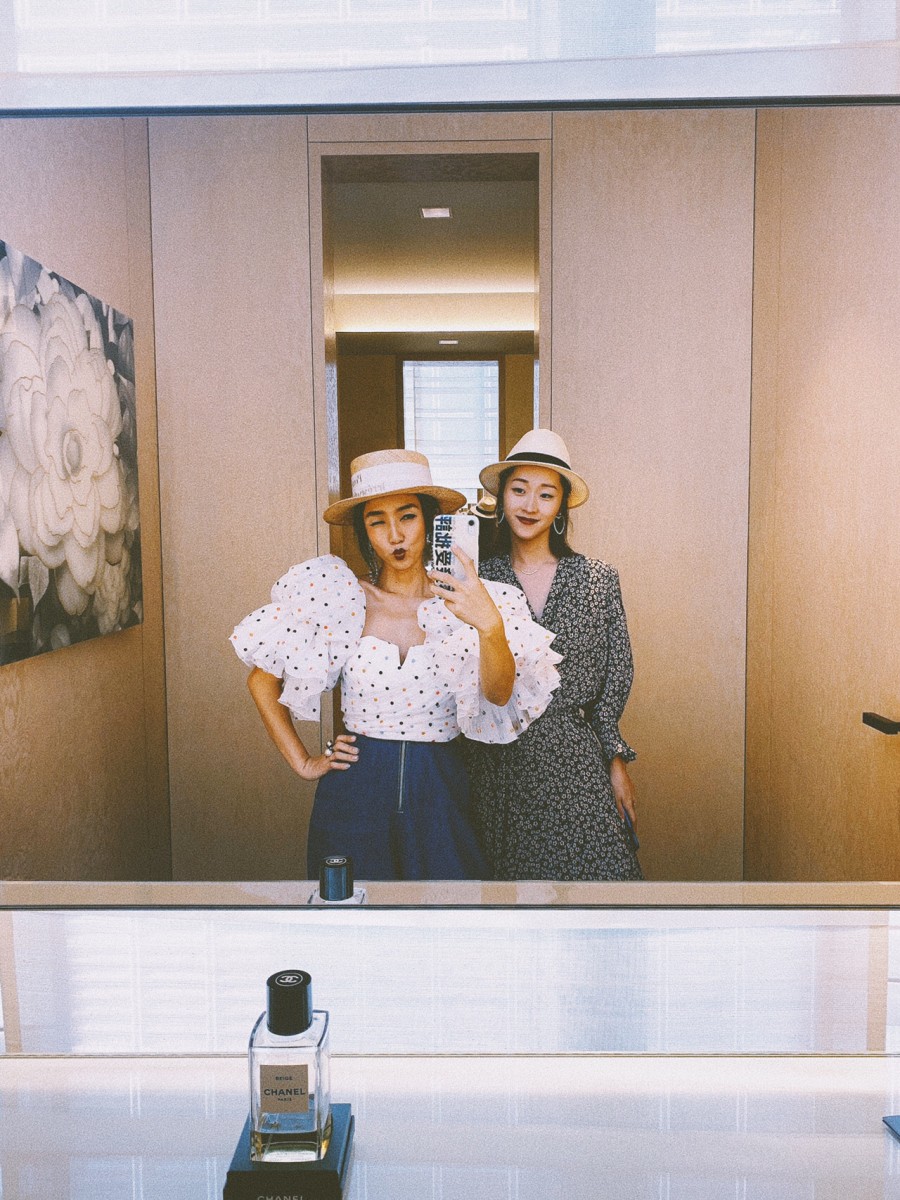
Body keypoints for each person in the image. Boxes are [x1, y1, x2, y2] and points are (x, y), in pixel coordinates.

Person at [230, 448, 560, 881]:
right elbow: (261, 681)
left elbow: (499, 696)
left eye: (407, 516)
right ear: (365, 532)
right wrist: (305, 762)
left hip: (440, 789)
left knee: (447, 912)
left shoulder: (471, 603)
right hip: (355, 790)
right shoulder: (340, 598)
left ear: (429, 521)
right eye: (377, 521)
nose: (395, 535)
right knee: (352, 912)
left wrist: (489, 625)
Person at [464, 428, 643, 881]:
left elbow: (616, 677)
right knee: (510, 899)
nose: (530, 505)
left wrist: (615, 762)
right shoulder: (479, 580)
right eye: (519, 490)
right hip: (497, 763)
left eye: (546, 495)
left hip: (574, 759)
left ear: (561, 506)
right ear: (501, 498)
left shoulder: (598, 579)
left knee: (597, 894)